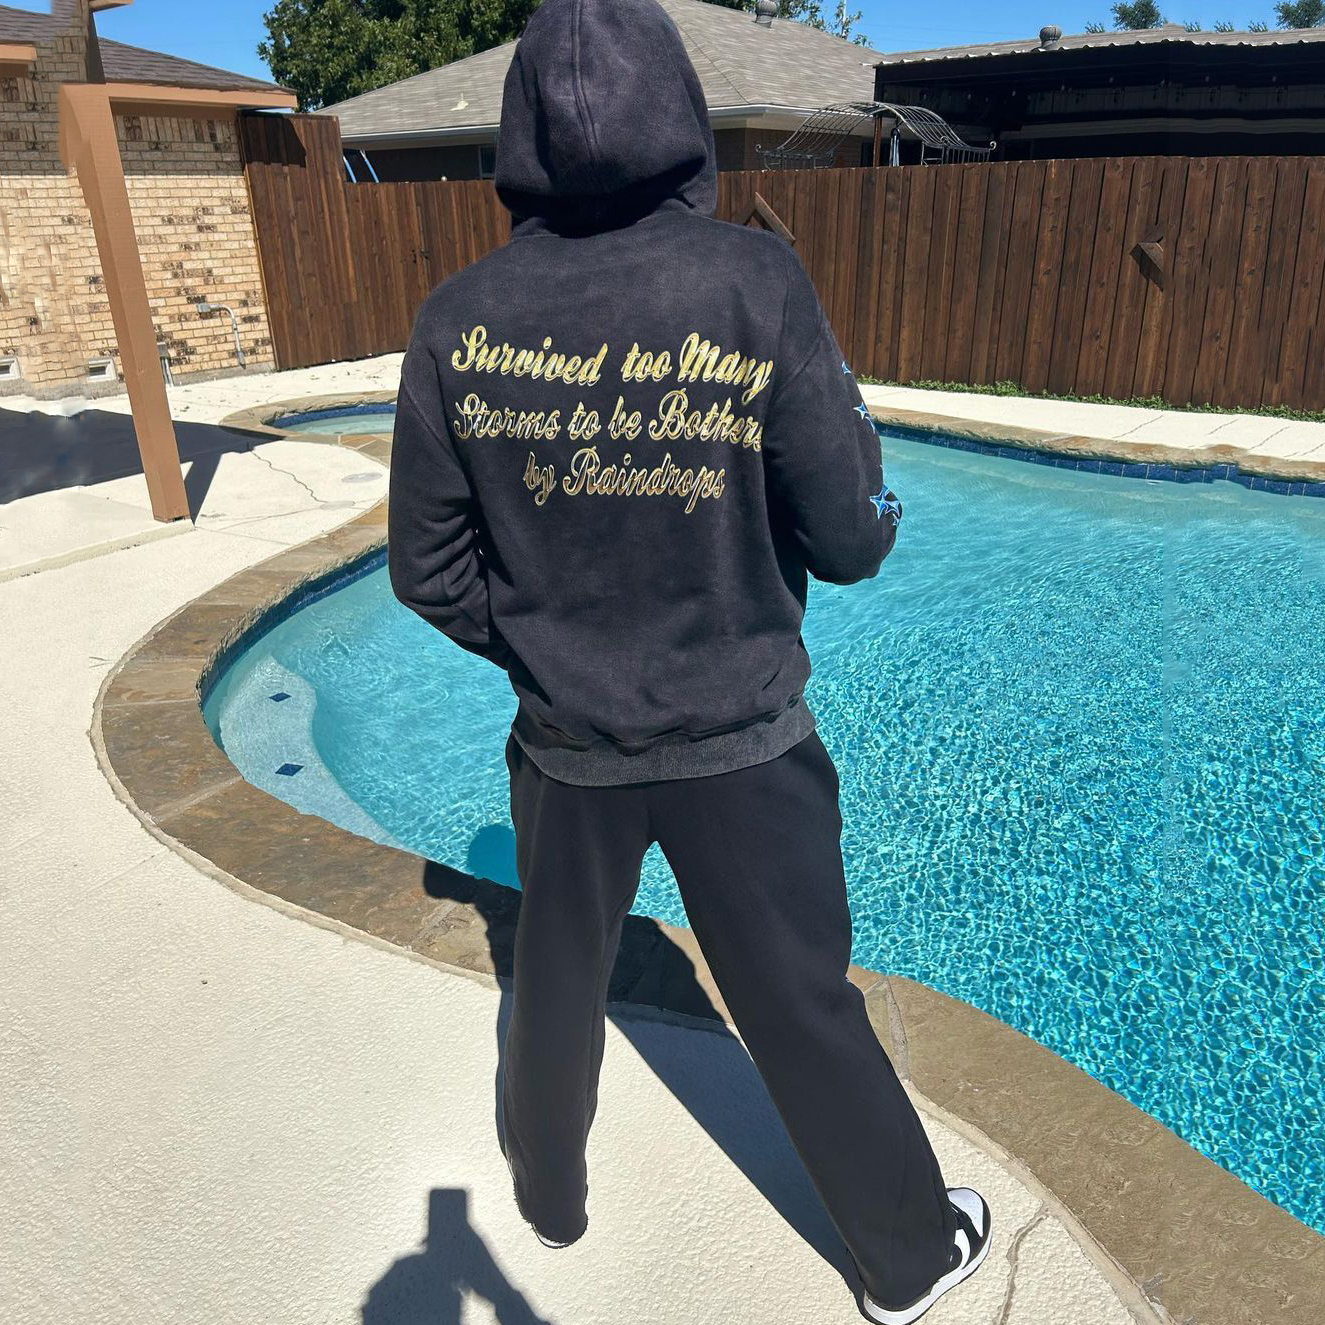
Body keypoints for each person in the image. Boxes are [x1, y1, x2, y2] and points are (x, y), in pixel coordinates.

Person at [387, 0, 990, 1318]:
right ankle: (905, 1260)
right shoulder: (751, 286)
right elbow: (850, 538)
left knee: (555, 980)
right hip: (745, 746)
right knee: (799, 1002)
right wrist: (867, 496)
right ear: (677, 114)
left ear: (520, 131)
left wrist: (546, 648)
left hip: (565, 746)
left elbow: (426, 572)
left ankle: (547, 1201)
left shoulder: (456, 320)